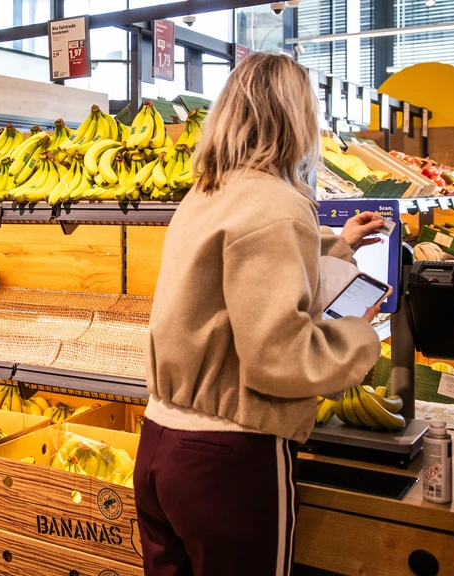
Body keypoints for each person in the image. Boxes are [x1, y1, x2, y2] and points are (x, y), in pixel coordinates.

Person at [134, 52, 385, 576]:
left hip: (160, 444)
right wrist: (359, 338)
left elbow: (243, 280)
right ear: (297, 118)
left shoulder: (204, 194)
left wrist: (337, 246)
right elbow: (279, 356)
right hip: (229, 458)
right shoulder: (277, 203)